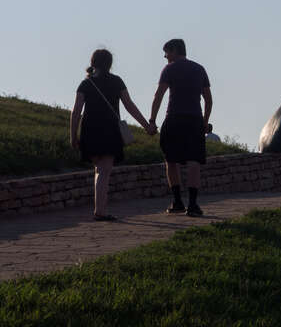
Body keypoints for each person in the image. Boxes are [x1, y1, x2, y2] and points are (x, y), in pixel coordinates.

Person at [70, 49, 152, 221]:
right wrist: (146, 125)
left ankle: (99, 209)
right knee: (104, 170)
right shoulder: (116, 82)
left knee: (99, 170)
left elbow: (76, 111)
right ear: (110, 63)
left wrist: (73, 135)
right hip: (109, 129)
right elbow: (129, 105)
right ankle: (100, 211)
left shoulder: (86, 84)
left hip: (90, 129)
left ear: (93, 63)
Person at [149, 38, 212, 217]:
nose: (165, 56)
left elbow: (158, 95)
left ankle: (177, 201)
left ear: (175, 51)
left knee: (171, 161)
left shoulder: (169, 69)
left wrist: (152, 120)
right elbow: (208, 99)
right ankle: (193, 205)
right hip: (194, 120)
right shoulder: (200, 69)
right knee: (194, 162)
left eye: (167, 52)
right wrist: (204, 121)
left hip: (174, 119)